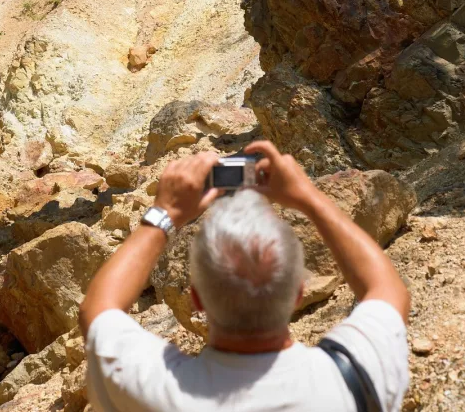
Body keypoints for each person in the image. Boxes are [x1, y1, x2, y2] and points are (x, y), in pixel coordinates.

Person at [80, 140, 410, 412]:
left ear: (196, 300)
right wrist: (308, 198)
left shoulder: (157, 391)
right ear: (298, 292)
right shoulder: (354, 375)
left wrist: (165, 213)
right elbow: (387, 291)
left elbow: (98, 310)